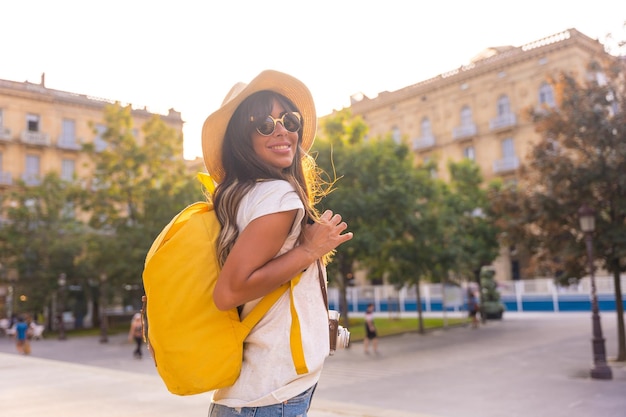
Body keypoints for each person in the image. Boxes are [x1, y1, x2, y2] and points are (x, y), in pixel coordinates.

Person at [202, 70, 353, 417]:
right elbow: (229, 291)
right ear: (243, 139)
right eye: (263, 124)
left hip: (252, 395)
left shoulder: (245, 194)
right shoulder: (278, 196)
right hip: (270, 397)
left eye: (289, 119)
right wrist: (310, 250)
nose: (282, 129)